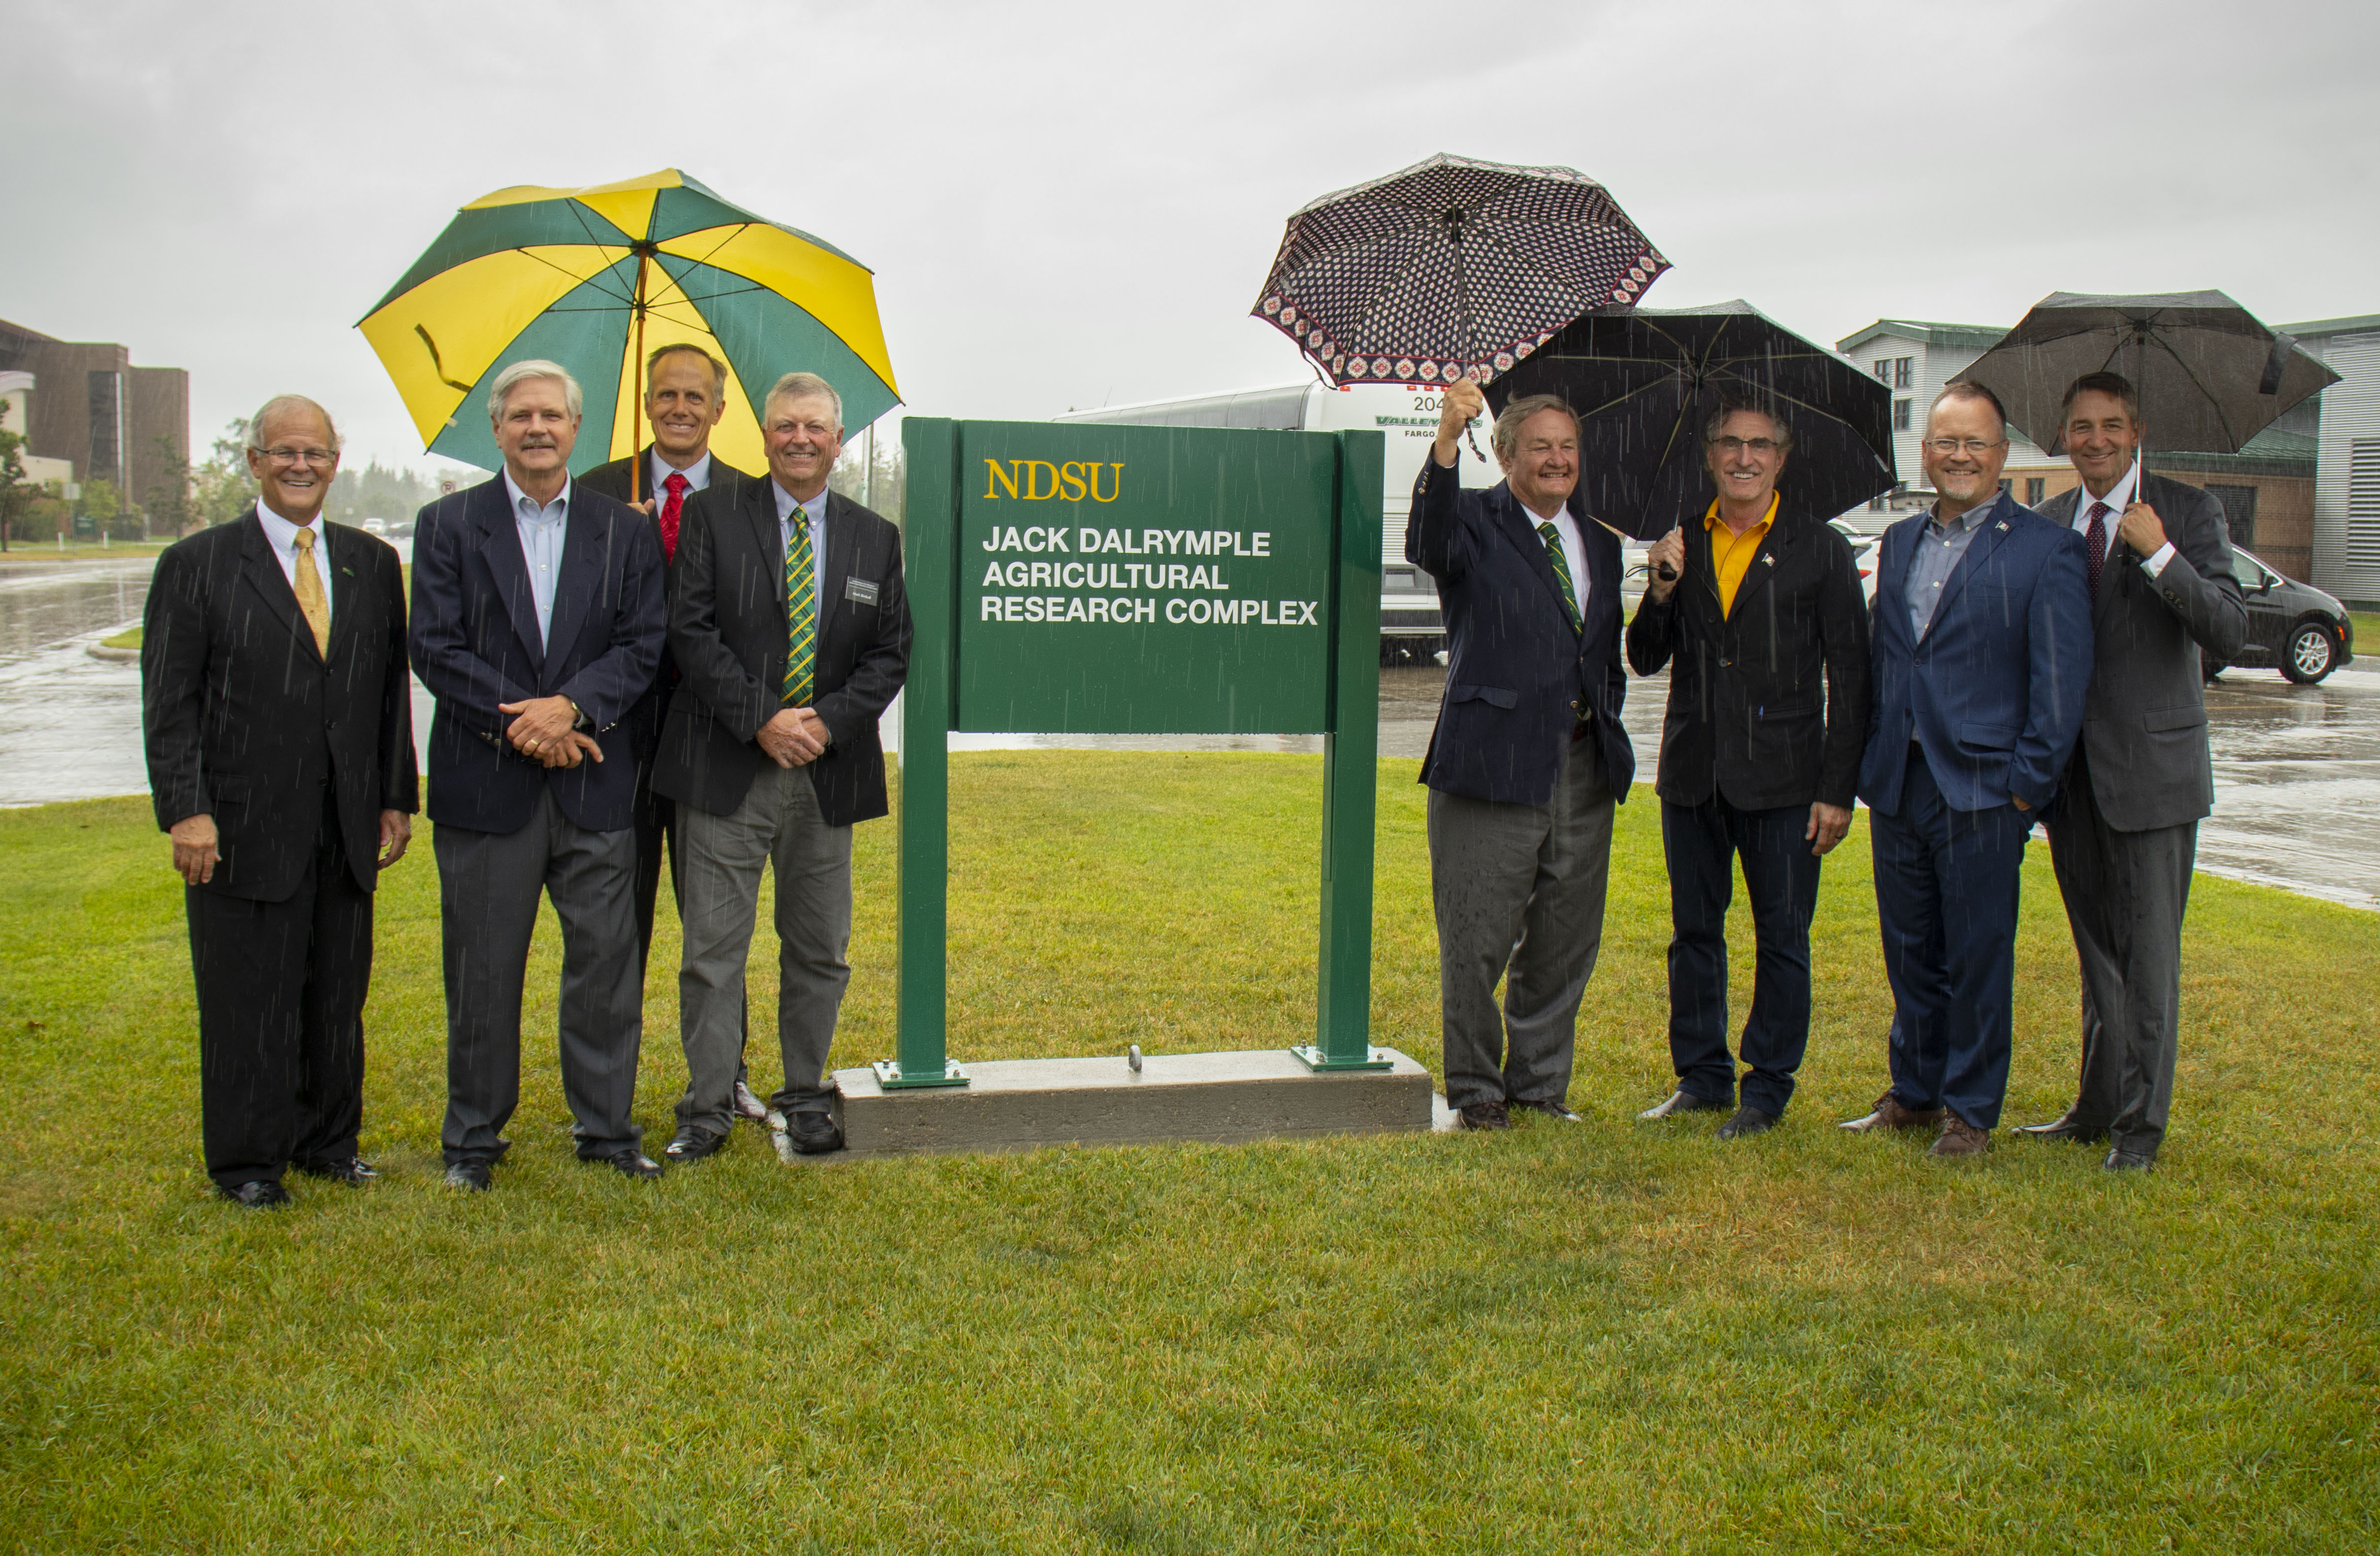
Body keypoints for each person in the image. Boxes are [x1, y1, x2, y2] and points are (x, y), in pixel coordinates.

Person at [140, 395, 416, 1207]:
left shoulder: (370, 563)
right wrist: (186, 810)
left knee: (337, 996)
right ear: (255, 462)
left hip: (345, 822)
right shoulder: (197, 565)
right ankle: (249, 1162)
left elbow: (384, 691)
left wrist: (394, 794)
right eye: (285, 453)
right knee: (247, 1000)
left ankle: (328, 1143)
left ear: (337, 462)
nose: (302, 466)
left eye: (317, 453)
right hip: (240, 827)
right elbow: (169, 704)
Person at [408, 359, 667, 1191]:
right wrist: (530, 718)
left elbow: (643, 643)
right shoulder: (447, 525)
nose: (537, 428)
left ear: (575, 426)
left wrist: (573, 709)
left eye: (552, 414)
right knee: (482, 968)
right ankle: (474, 1141)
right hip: (487, 786)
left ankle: (606, 1130)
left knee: (605, 964)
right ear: (497, 428)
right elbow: (436, 647)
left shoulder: (622, 530)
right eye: (520, 415)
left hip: (596, 780)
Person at [656, 370, 910, 1159]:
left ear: (839, 441)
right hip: (725, 770)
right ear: (763, 436)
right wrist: (761, 719)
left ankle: (804, 1093)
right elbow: (690, 634)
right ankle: (704, 1106)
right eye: (785, 426)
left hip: (825, 778)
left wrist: (822, 727)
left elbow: (890, 653)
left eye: (816, 428)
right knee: (712, 952)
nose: (800, 439)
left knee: (819, 948)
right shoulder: (711, 516)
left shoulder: (877, 536)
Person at [1840, 382, 2091, 1157]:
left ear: (2002, 454)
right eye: (1946, 441)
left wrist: (2024, 787)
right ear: (1927, 452)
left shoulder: (2047, 550)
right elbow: (1892, 660)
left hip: (1986, 788)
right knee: (1910, 948)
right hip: (1902, 782)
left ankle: (1971, 1109)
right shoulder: (1904, 541)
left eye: (1975, 443)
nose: (1959, 455)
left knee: (1979, 955)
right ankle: (1915, 1092)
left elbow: (2059, 686)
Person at [2014, 372, 2248, 1172]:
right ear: (2063, 435)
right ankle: (2097, 1105)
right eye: (2081, 426)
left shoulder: (2187, 512)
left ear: (2137, 429)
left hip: (2154, 776)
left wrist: (2162, 555)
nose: (2097, 440)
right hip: (2070, 778)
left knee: (2149, 960)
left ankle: (2140, 1131)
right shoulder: (2049, 522)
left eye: (2112, 425)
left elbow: (2230, 628)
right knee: (2096, 952)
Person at [1627, 403, 1871, 1139]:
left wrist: (1837, 790)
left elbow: (1853, 680)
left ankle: (1766, 1088)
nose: (1744, 457)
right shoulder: (1681, 540)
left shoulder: (1822, 550)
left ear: (1782, 458)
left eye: (1759, 445)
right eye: (1730, 442)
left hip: (1787, 781)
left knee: (1782, 936)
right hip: (1695, 773)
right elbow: (1644, 656)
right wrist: (1662, 588)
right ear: (1709, 454)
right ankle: (1701, 1077)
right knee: (1693, 932)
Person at [1406, 377, 1633, 1131]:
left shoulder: (1598, 540)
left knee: (1567, 938)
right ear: (1505, 454)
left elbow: (1600, 651)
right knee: (1475, 936)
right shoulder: (1471, 520)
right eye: (1540, 447)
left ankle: (1539, 1085)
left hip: (1581, 765)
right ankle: (1475, 1091)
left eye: (1568, 447)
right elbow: (1427, 540)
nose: (1557, 460)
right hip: (1491, 763)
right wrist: (1445, 439)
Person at [578, 343, 770, 1126]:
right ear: (647, 403)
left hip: (712, 744)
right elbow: (576, 621)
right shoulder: (595, 494)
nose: (681, 408)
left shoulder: (752, 500)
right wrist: (621, 546)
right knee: (613, 930)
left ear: (720, 409)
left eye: (696, 396)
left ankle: (726, 1079)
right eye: (667, 395)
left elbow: (754, 626)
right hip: (616, 745)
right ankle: (604, 1097)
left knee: (715, 931)